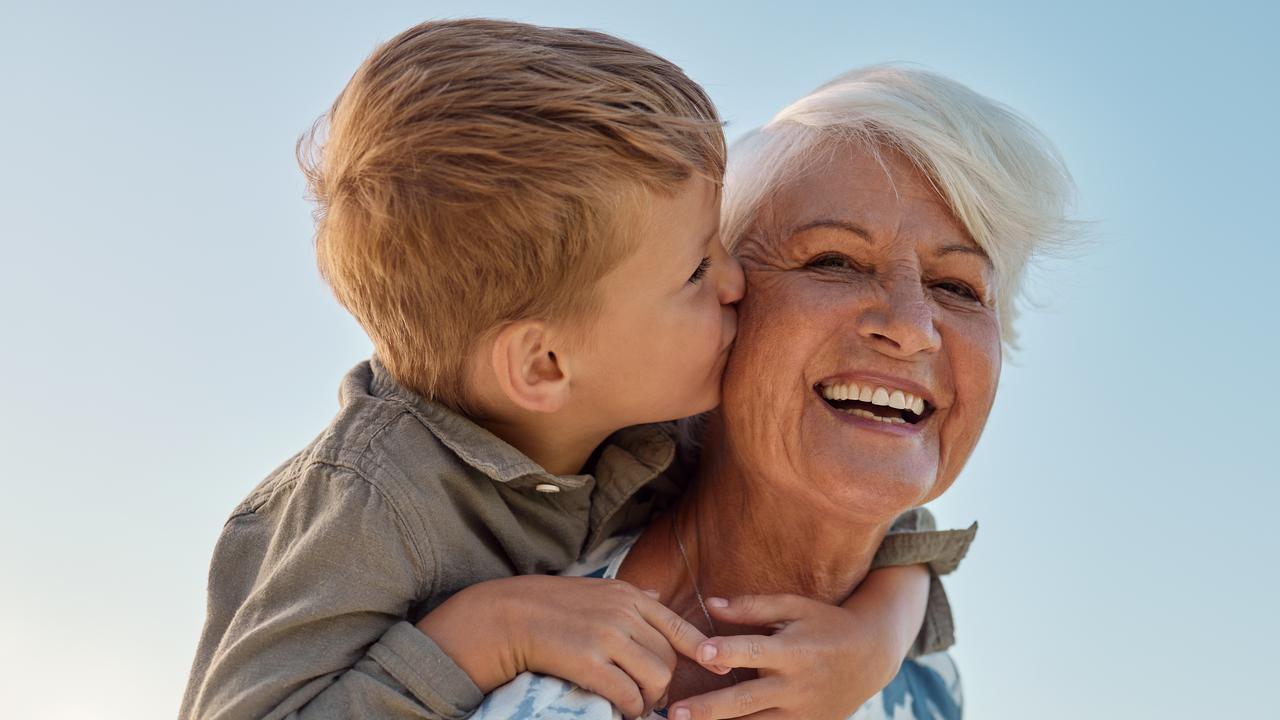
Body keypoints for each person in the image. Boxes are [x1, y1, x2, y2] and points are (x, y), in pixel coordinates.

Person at [179, 23, 971, 720]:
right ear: (546, 365)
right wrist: (483, 636)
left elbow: (888, 518)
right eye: (696, 271)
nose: (737, 284)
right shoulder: (371, 505)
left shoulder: (643, 409)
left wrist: (876, 637)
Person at [465, 64, 1077, 720]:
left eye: (957, 288)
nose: (911, 328)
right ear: (719, 306)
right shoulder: (485, 616)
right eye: (833, 262)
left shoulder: (927, 685)